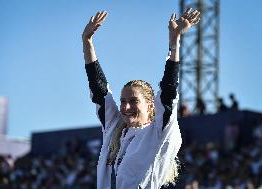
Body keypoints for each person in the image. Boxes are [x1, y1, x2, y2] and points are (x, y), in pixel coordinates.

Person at [82, 8, 200, 189]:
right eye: (123, 101)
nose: (126, 107)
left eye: (134, 101)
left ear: (151, 106)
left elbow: (168, 92)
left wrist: (174, 44)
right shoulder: (115, 129)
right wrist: (87, 42)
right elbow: (99, 89)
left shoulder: (157, 133)